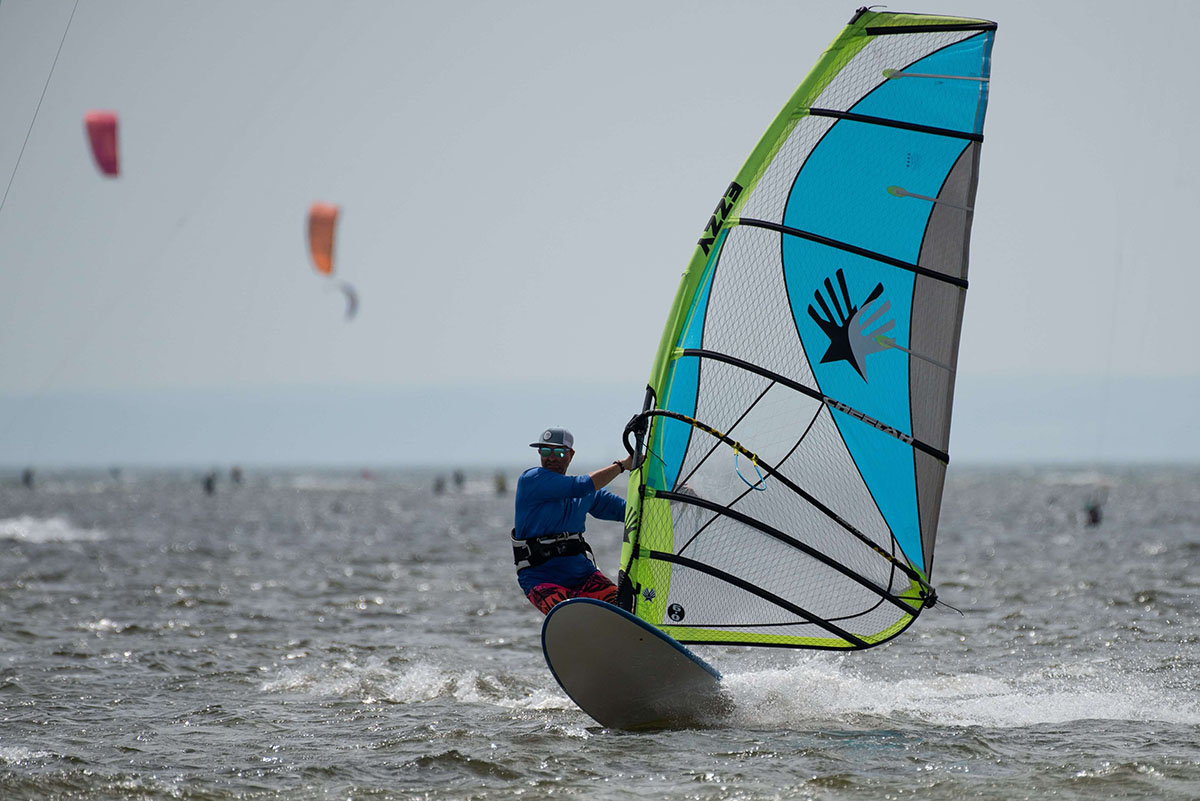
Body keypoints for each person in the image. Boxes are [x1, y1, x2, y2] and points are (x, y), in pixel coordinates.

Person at [513, 427, 634, 614]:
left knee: (626, 608)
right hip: (541, 578)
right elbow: (581, 485)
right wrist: (621, 465)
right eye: (545, 451)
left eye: (558, 452)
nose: (551, 458)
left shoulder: (584, 495)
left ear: (571, 454)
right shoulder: (532, 479)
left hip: (583, 576)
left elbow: (627, 512)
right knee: (569, 614)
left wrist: (671, 498)